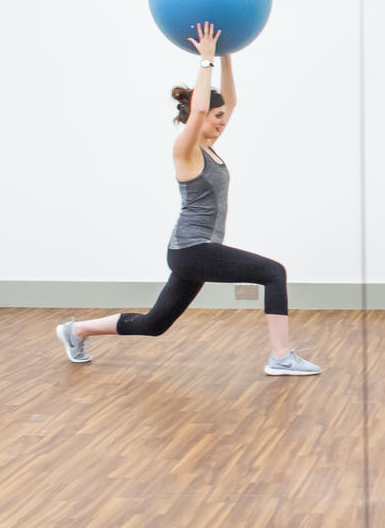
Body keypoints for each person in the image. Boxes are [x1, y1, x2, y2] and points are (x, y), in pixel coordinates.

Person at [56, 21, 320, 376]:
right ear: (200, 118)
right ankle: (281, 356)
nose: (224, 122)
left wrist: (227, 57)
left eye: (223, 117)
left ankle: (75, 331)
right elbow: (198, 112)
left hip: (193, 252)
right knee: (274, 273)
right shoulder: (186, 149)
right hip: (193, 250)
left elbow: (230, 101)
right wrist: (206, 60)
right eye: (218, 117)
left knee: (154, 323)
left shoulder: (210, 148)